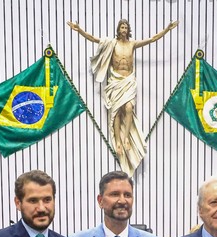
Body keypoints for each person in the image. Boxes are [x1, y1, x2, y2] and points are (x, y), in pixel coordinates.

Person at [68, 18, 178, 175]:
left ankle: (126, 138)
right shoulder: (112, 43)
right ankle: (118, 142)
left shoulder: (132, 44)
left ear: (128, 29)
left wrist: (167, 29)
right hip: (115, 80)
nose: (124, 29)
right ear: (118, 29)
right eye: (122, 27)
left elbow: (152, 39)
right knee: (116, 111)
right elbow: (93, 39)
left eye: (126, 27)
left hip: (128, 80)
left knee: (129, 107)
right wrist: (79, 30)